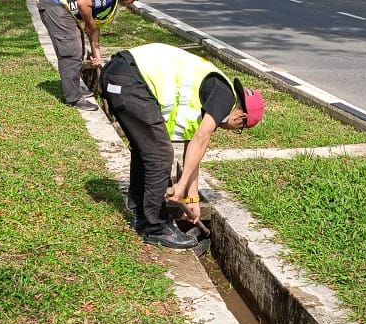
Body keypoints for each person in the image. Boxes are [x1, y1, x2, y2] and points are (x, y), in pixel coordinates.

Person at [101, 43, 265, 249]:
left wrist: (192, 197)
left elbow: (193, 148)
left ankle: (141, 211)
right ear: (241, 116)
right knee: (160, 154)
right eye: (239, 128)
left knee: (147, 149)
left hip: (117, 74)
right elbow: (202, 138)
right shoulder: (225, 97)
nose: (232, 129)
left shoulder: (211, 92)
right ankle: (156, 228)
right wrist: (179, 186)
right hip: (130, 80)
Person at [38, 0, 147, 111]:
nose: (132, 3)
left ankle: (74, 87)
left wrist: (96, 54)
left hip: (63, 9)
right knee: (71, 51)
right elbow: (83, 3)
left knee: (79, 50)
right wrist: (89, 25)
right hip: (55, 5)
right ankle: (74, 98)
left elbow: (95, 26)